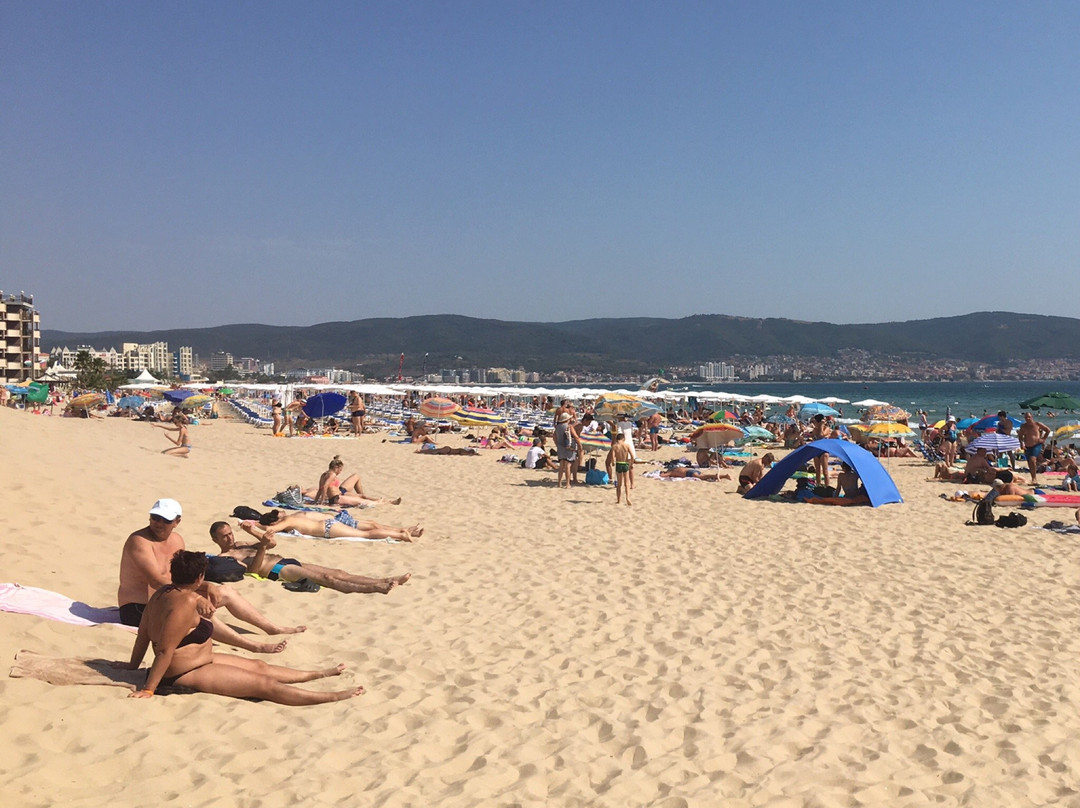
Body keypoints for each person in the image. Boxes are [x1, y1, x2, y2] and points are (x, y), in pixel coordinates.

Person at [115, 550, 364, 704]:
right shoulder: (186, 603)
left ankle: (317, 674)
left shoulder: (161, 593)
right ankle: (332, 696)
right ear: (200, 577)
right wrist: (149, 689)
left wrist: (132, 667)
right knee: (262, 686)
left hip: (202, 661)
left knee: (260, 667)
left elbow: (143, 635)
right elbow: (165, 650)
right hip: (182, 674)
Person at [118, 499, 301, 653]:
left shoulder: (176, 540)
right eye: (155, 518)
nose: (158, 523)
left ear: (177, 521)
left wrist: (206, 586)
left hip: (169, 597)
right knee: (194, 608)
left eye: (165, 520)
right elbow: (157, 580)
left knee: (226, 591)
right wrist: (197, 596)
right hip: (138, 609)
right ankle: (254, 646)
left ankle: (271, 628)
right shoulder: (139, 541)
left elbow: (182, 576)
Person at [210, 522, 411, 594]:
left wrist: (255, 533)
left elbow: (271, 544)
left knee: (338, 573)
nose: (230, 538)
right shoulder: (225, 557)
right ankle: (376, 588)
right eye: (224, 536)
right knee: (328, 580)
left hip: (285, 560)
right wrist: (262, 546)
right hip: (276, 570)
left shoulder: (241, 544)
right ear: (215, 539)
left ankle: (385, 580)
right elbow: (253, 570)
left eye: (230, 533)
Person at [258, 508, 422, 542]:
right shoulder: (291, 518)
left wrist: (252, 525)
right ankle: (401, 532)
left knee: (366, 534)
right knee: (369, 530)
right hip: (328, 524)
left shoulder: (288, 521)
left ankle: (401, 535)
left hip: (327, 529)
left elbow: (272, 530)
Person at [306, 456, 401, 507]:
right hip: (336, 498)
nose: (340, 472)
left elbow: (320, 489)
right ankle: (388, 502)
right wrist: (322, 501)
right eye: (340, 470)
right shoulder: (332, 475)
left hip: (338, 496)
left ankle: (389, 501)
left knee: (362, 497)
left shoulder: (324, 474)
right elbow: (325, 486)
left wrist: (316, 501)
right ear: (336, 468)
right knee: (364, 501)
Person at [1017, 412, 1051, 484]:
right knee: (1030, 463)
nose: (1027, 419)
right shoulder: (1023, 426)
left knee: (1033, 460)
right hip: (1027, 447)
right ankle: (1033, 478)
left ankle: (1034, 478)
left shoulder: (1037, 424)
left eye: (1029, 417)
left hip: (1036, 445)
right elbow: (1020, 435)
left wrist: (1043, 438)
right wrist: (1021, 443)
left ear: (1032, 416)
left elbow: (1048, 430)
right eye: (1026, 417)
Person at [605, 432, 634, 505]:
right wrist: (631, 463)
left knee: (619, 484)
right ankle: (627, 497)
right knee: (627, 483)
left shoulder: (614, 446)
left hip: (619, 464)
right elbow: (632, 456)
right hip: (625, 464)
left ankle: (618, 500)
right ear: (623, 439)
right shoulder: (626, 445)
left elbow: (612, 457)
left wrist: (613, 462)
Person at [809, 415, 831, 487]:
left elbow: (821, 435)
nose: (814, 423)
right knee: (817, 470)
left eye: (815, 421)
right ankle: (818, 485)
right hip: (816, 451)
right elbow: (814, 437)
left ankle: (827, 487)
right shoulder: (815, 430)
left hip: (823, 451)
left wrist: (821, 425)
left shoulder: (826, 428)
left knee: (825, 471)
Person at [658, 466, 730, 481]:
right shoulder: (679, 468)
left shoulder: (671, 472)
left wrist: (661, 473)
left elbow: (662, 475)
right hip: (692, 470)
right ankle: (722, 476)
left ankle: (723, 476)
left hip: (689, 473)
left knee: (702, 477)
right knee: (704, 477)